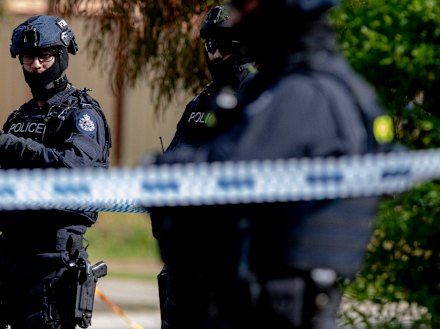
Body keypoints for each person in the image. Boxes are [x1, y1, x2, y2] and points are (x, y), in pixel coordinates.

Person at [148, 0, 396, 328]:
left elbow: (220, 178)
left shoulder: (301, 94)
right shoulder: (337, 87)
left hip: (267, 303)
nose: (235, 19)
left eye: (244, 8)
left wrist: (163, 171)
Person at [0, 15, 111, 329]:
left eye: (45, 57)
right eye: (28, 58)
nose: (36, 66)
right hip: (13, 258)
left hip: (54, 260)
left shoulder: (82, 115)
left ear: (62, 56)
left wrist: (16, 148)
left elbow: (73, 169)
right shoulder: (19, 118)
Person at [150, 5, 256, 329]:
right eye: (210, 45)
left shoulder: (259, 97)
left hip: (235, 252)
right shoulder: (198, 104)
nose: (217, 54)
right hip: (190, 251)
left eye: (225, 43)